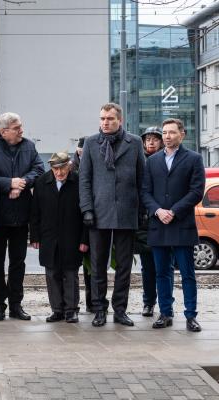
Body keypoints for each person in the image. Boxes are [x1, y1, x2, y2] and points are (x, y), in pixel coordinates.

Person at [79, 102, 145, 327]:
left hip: (127, 211)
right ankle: (99, 309)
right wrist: (87, 209)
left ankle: (120, 310)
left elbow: (142, 179)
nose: (105, 122)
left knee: (124, 265)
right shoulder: (90, 143)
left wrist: (142, 210)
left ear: (120, 121)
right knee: (98, 265)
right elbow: (84, 180)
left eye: (109, 119)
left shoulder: (134, 143)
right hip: (98, 212)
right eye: (102, 119)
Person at [141, 118, 205, 332]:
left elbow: (196, 191)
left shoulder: (194, 159)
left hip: (182, 224)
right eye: (165, 133)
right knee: (161, 273)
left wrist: (174, 211)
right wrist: (158, 211)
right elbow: (145, 192)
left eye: (171, 132)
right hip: (158, 224)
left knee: (187, 273)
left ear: (182, 134)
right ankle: (165, 313)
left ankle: (191, 316)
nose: (167, 136)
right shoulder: (152, 161)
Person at [0, 112, 44, 321]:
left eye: (20, 126)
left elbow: (39, 170)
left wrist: (22, 182)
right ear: (3, 131)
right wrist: (9, 183)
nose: (21, 130)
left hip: (21, 215)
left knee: (18, 261)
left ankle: (16, 304)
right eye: (17, 127)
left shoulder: (29, 146)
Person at [31, 152, 88, 323]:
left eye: (63, 168)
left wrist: (85, 239)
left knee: (70, 274)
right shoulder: (42, 182)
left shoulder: (78, 181)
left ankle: (71, 310)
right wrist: (34, 236)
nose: (59, 172)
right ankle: (57, 310)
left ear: (69, 166)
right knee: (52, 274)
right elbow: (35, 212)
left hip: (73, 237)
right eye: (56, 168)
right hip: (49, 237)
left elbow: (86, 213)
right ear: (51, 168)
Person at [136, 126, 164, 317]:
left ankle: (165, 303)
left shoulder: (166, 161)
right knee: (147, 267)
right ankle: (148, 302)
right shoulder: (140, 161)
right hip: (144, 222)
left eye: (155, 139)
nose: (151, 142)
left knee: (164, 267)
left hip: (163, 220)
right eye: (148, 139)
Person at [71, 136, 94, 313]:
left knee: (91, 266)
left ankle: (91, 301)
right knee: (72, 267)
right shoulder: (71, 168)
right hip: (75, 220)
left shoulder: (93, 164)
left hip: (91, 219)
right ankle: (72, 303)